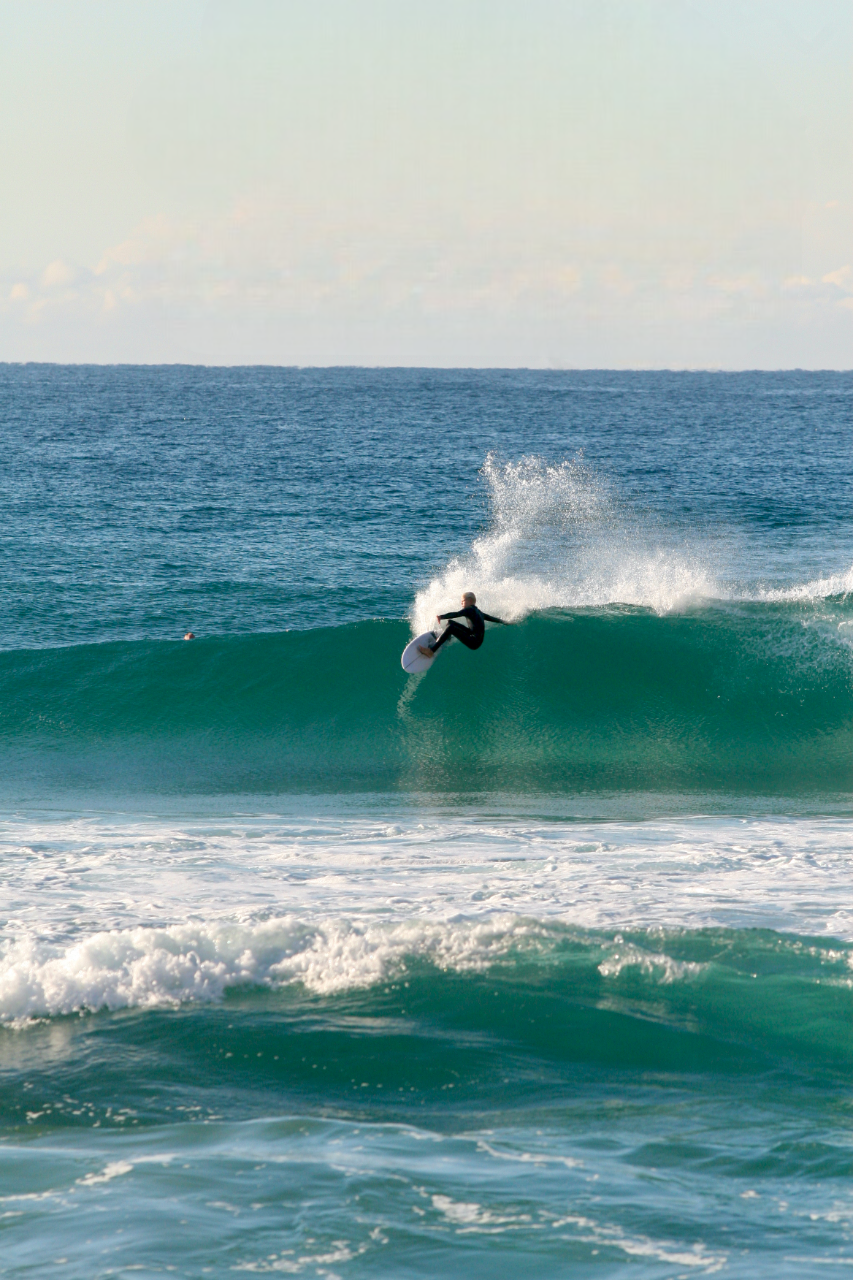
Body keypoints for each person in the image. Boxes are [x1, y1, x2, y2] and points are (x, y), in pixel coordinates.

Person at [418, 592, 507, 658]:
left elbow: (456, 614)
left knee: (451, 628)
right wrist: (504, 621)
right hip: (473, 636)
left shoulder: (469, 610)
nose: (461, 603)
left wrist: (441, 617)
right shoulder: (478, 612)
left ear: (470, 600)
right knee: (450, 623)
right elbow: (492, 618)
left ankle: (431, 651)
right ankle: (445, 639)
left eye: (463, 601)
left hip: (474, 642)